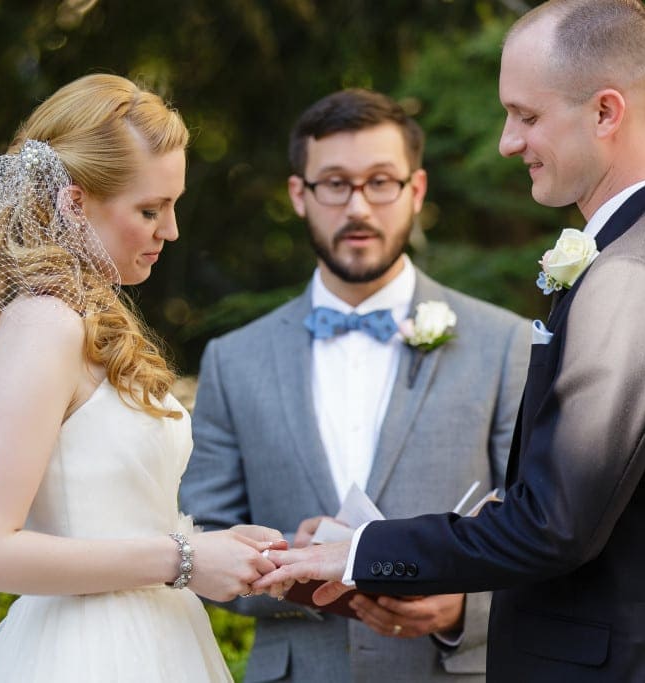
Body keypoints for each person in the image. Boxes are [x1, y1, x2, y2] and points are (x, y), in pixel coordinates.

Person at [255, 2, 645, 682]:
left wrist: (361, 550)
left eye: (526, 115)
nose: (507, 141)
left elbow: (554, 523)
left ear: (606, 112)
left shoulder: (632, 275)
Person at [179, 88, 530, 682]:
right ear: (299, 194)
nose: (359, 207)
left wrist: (465, 604)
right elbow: (200, 540)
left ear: (415, 191)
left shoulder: (505, 344)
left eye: (381, 182)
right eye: (335, 184)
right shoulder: (233, 360)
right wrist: (301, 558)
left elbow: (540, 528)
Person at [0, 73, 284, 682]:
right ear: (75, 202)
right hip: (86, 654)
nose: (171, 231)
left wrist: (219, 549)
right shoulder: (44, 323)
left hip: (159, 639)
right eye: (150, 209)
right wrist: (184, 558)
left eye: (173, 205)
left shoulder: (86, 318)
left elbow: (122, 514)